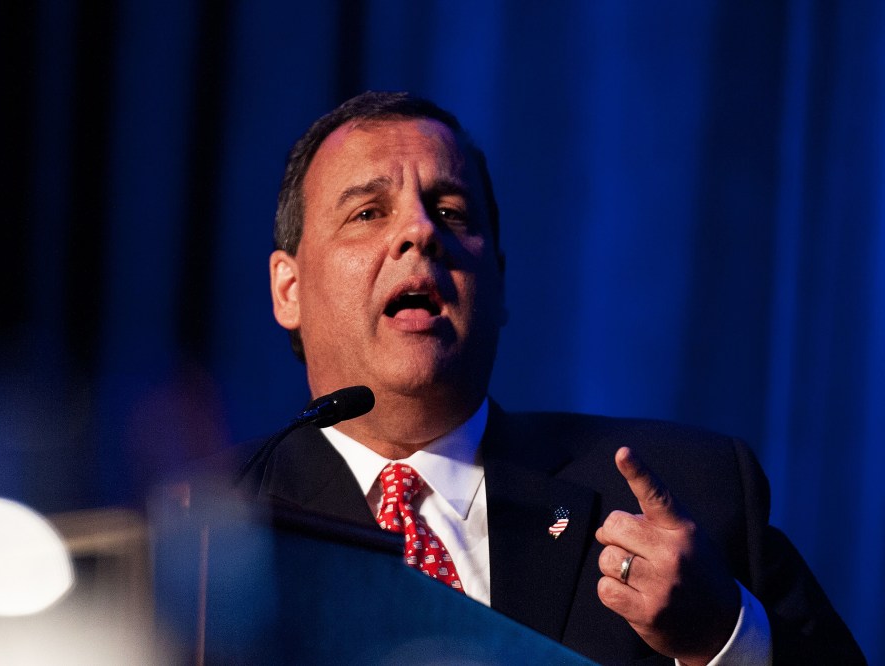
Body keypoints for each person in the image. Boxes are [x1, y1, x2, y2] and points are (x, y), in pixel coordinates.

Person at [238, 91, 864, 665]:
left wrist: (725, 638)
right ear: (288, 290)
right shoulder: (211, 530)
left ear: (500, 282)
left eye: (451, 212)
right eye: (369, 212)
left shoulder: (691, 491)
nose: (420, 232)